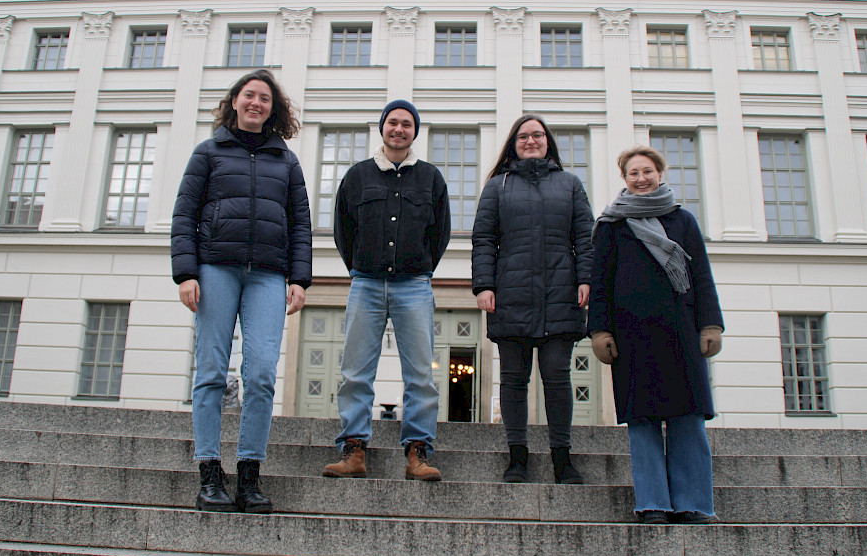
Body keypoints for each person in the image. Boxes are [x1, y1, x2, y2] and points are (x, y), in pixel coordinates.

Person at [171, 69, 312, 513]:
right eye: (249, 95)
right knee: (211, 372)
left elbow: (301, 224)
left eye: (264, 99)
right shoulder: (208, 152)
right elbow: (184, 215)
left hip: (268, 276)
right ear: (234, 101)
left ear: (274, 109)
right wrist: (185, 273)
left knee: (262, 376)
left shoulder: (285, 161)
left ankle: (249, 476)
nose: (256, 103)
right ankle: (209, 473)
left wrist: (299, 278)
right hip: (215, 270)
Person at [588, 145, 723, 524]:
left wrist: (711, 323)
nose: (641, 178)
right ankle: (654, 504)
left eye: (647, 171)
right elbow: (600, 282)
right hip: (632, 337)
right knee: (643, 423)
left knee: (687, 418)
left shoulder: (684, 221)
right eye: (633, 173)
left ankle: (694, 503)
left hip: (681, 332)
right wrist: (599, 330)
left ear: (660, 174)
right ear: (625, 179)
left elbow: (702, 278)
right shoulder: (612, 225)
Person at [323, 99, 450, 481]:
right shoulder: (358, 176)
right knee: (356, 372)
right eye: (392, 123)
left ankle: (418, 452)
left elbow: (439, 234)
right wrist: (360, 267)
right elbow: (343, 230)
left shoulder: (431, 178)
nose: (398, 129)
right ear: (382, 128)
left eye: (406, 124)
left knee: (420, 376)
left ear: (415, 131)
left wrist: (419, 268)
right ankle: (354, 449)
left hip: (414, 285)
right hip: (366, 283)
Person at [471, 114, 594, 484]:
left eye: (537, 135)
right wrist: (484, 285)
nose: (531, 141)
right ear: (513, 143)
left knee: (557, 376)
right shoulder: (498, 186)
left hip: (560, 293)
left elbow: (585, 236)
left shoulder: (570, 184)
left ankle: (562, 458)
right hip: (511, 293)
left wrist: (586, 278)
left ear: (547, 141)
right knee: (513, 379)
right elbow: (483, 240)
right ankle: (517, 457)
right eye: (523, 136)